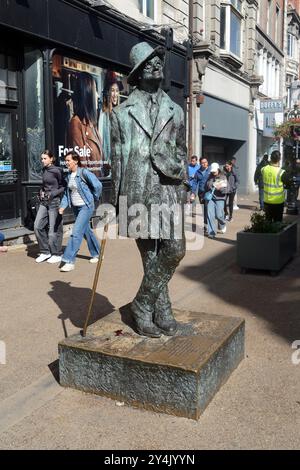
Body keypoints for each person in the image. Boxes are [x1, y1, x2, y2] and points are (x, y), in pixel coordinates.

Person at [111, 42, 188, 338]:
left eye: (158, 62)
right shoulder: (121, 113)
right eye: (149, 64)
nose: (156, 66)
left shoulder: (176, 111)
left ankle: (142, 305)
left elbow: (182, 151)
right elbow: (117, 158)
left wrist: (181, 182)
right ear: (138, 74)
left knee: (175, 249)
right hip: (138, 188)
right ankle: (163, 312)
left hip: (167, 189)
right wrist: (117, 202)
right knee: (151, 257)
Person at [59, 151, 102, 272]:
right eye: (66, 160)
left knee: (76, 232)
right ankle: (98, 253)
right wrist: (63, 206)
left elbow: (98, 185)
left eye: (68, 160)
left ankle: (69, 261)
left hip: (86, 207)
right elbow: (68, 194)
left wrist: (94, 197)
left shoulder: (84, 172)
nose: (66, 163)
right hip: (76, 208)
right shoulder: (68, 176)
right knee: (86, 232)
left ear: (76, 161)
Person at [68, 72, 104, 177]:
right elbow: (81, 164)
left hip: (98, 184)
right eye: (95, 90)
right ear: (87, 93)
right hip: (89, 188)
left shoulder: (91, 124)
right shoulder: (76, 123)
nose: (97, 95)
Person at [34, 150, 65, 263]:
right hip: (44, 202)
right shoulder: (44, 170)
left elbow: (63, 187)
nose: (42, 161)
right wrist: (41, 192)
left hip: (54, 202)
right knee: (37, 226)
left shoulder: (57, 170)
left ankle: (57, 253)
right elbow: (45, 185)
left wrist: (53, 193)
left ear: (51, 159)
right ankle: (45, 252)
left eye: (45, 158)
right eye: (42, 159)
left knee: (53, 230)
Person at [99, 71, 122, 176]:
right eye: (112, 90)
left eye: (117, 91)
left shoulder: (120, 113)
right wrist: (105, 160)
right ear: (108, 92)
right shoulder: (104, 114)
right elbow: (101, 139)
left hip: (118, 162)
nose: (115, 94)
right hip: (108, 164)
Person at [261, 150, 288, 223]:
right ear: (279, 159)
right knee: (278, 223)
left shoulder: (264, 169)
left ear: (270, 158)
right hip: (278, 202)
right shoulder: (281, 172)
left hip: (267, 200)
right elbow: (288, 184)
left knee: (268, 221)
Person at [205, 162, 228, 239]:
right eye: (212, 171)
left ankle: (222, 224)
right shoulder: (210, 176)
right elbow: (207, 185)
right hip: (211, 198)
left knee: (219, 215)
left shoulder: (223, 177)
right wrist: (210, 186)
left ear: (218, 169)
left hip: (220, 198)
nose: (213, 172)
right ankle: (212, 232)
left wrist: (220, 189)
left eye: (214, 171)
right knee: (210, 215)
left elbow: (227, 189)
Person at [190, 156, 210, 228]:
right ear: (200, 164)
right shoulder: (198, 172)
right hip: (201, 193)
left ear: (207, 162)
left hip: (210, 193)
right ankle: (206, 224)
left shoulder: (210, 170)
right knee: (204, 208)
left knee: (208, 208)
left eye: (205, 162)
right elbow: (195, 183)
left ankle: (212, 223)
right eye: (202, 163)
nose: (204, 164)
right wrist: (193, 192)